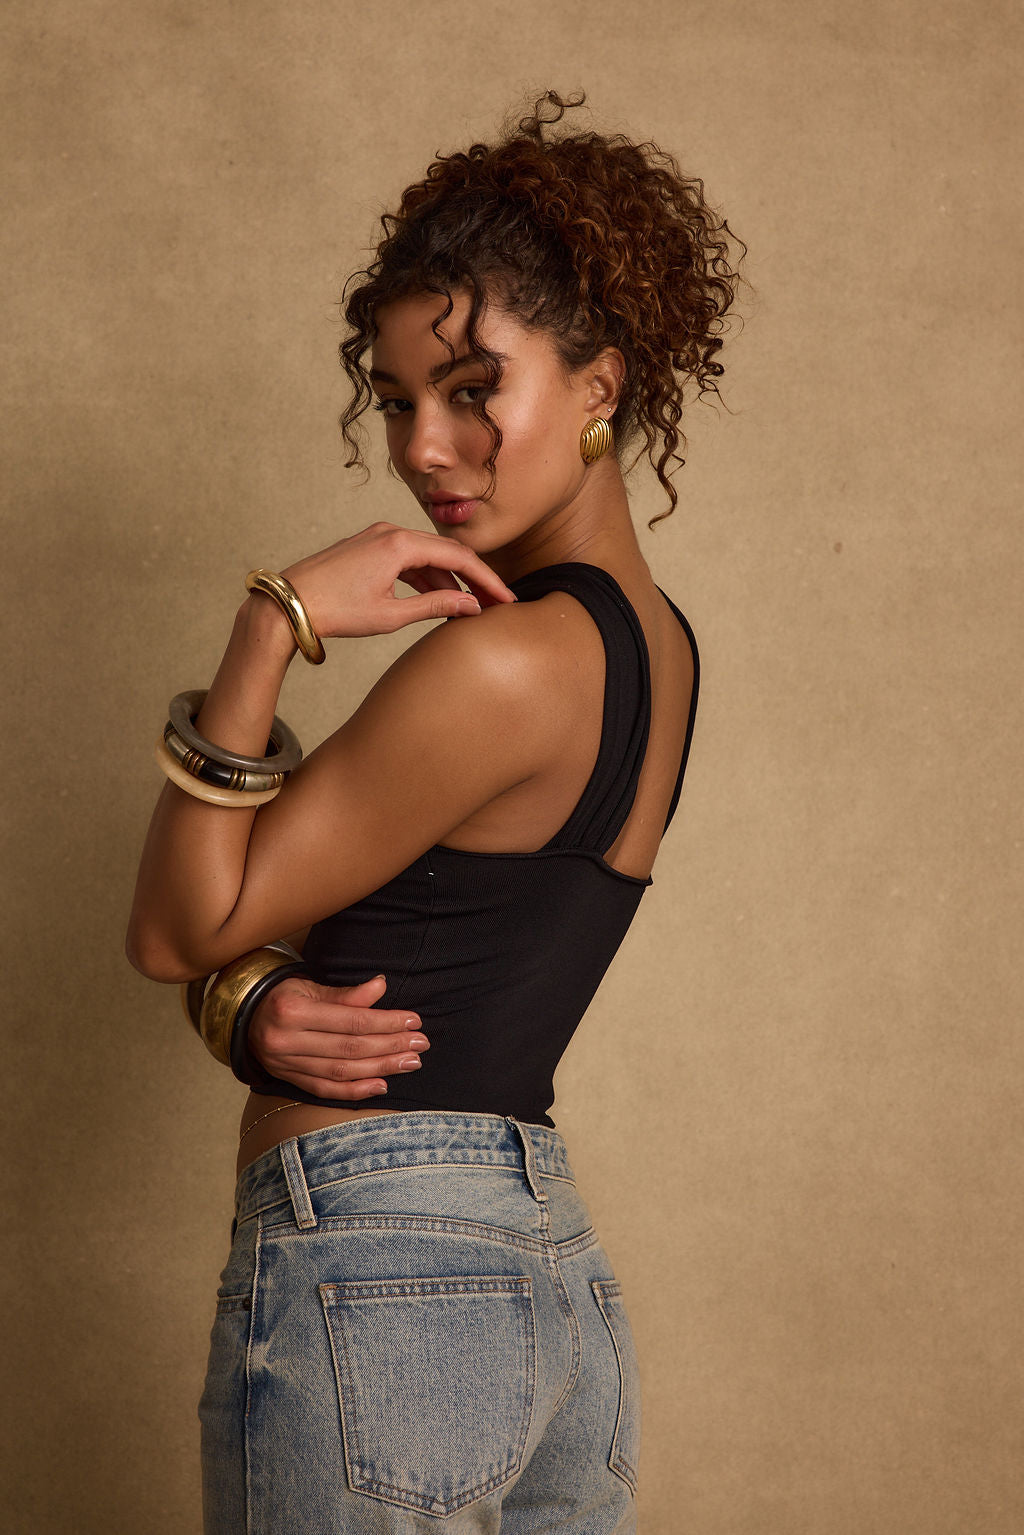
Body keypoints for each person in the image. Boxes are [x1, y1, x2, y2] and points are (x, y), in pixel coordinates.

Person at [127, 90, 742, 1534]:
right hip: (546, 1273)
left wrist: (271, 623)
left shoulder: (503, 665)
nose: (426, 446)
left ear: (600, 383)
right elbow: (458, 940)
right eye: (401, 400)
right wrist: (250, 1007)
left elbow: (174, 925)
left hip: (385, 1271)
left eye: (474, 389)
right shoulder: (659, 646)